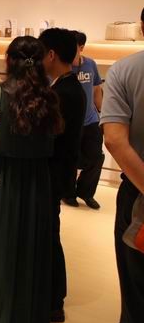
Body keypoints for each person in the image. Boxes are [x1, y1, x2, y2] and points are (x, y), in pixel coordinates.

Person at [0, 36, 64, 323]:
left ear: (8, 60)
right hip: (37, 183)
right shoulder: (49, 97)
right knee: (30, 247)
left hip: (2, 180)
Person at [100, 8, 144, 323]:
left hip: (138, 194)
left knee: (136, 292)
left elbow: (115, 140)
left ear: (141, 28)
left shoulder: (124, 70)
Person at [39, 28, 86, 322]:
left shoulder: (62, 92)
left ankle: (53, 300)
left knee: (48, 236)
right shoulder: (68, 87)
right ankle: (53, 298)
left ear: (51, 55)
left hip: (52, 175)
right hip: (58, 173)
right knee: (49, 235)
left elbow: (50, 138)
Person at [65, 30, 104, 209]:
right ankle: (68, 193)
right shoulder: (63, 67)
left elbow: (96, 90)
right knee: (70, 159)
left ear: (81, 48)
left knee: (96, 157)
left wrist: (102, 113)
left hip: (90, 120)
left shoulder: (90, 64)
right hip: (70, 123)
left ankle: (86, 192)